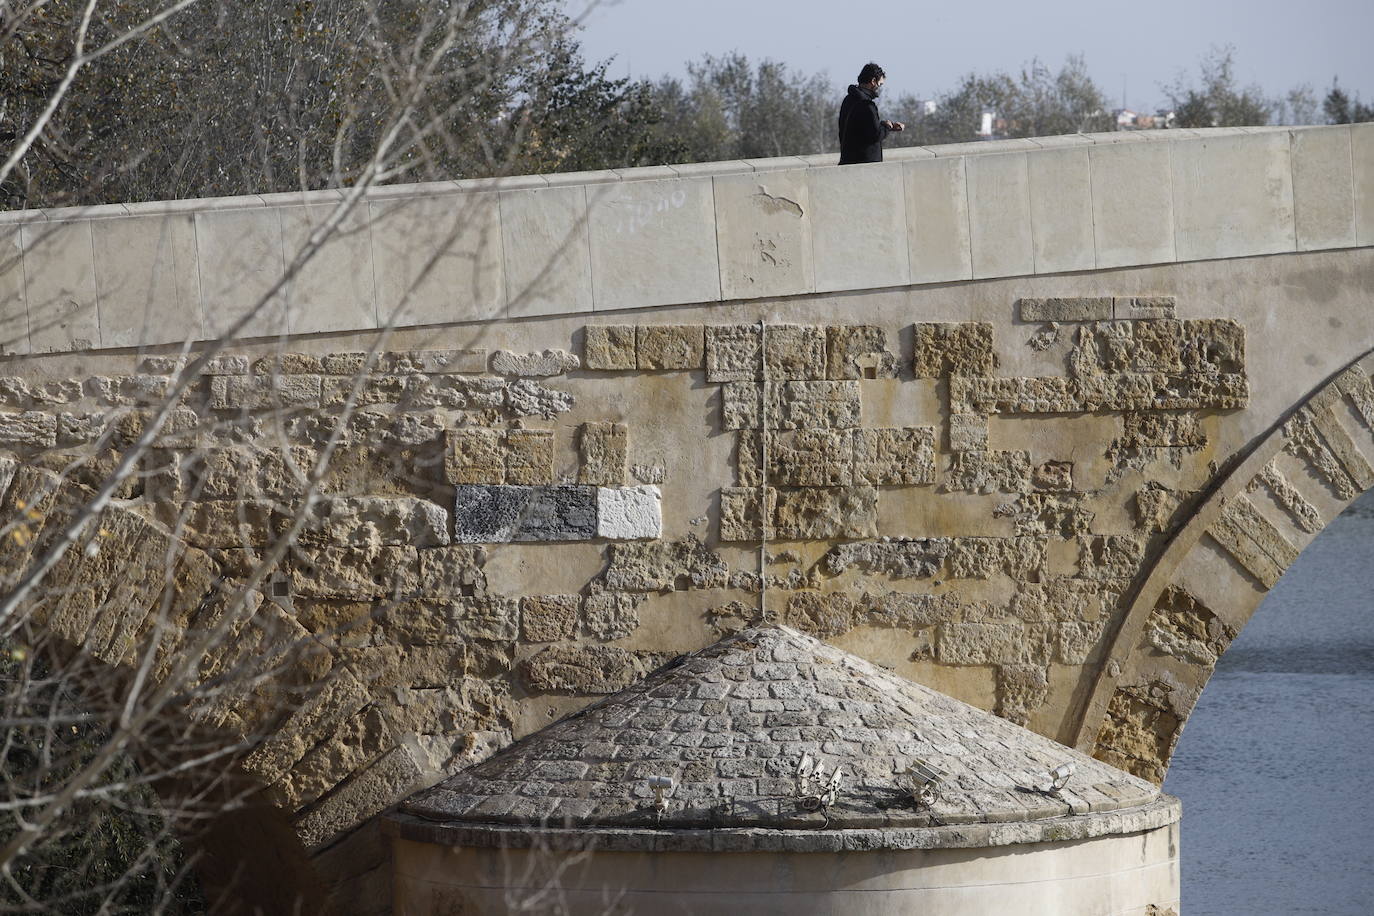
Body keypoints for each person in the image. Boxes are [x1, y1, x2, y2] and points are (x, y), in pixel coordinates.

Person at [837, 62, 904, 164]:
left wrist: (883, 126)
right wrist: (887, 126)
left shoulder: (848, 100)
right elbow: (875, 135)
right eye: (880, 84)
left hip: (848, 159)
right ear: (873, 81)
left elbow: (862, 129)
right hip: (864, 163)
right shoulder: (867, 105)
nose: (879, 88)